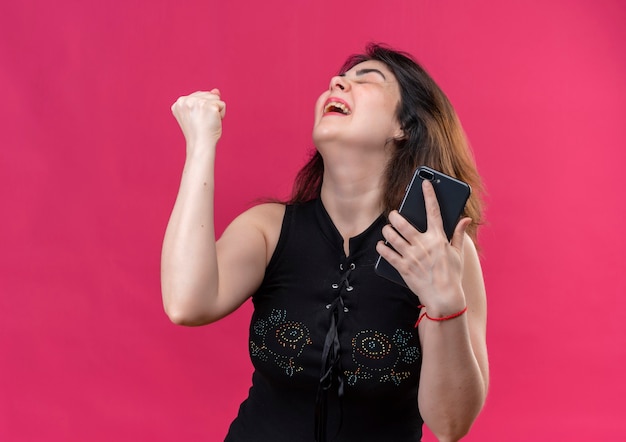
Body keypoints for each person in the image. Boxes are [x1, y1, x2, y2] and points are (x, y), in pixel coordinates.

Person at [161, 43, 489, 442]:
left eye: (366, 79)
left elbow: (451, 425)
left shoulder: (442, 252)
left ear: (403, 127)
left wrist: (444, 303)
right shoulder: (268, 229)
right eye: (340, 79)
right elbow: (186, 303)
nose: (337, 82)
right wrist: (200, 146)